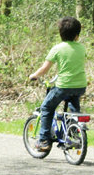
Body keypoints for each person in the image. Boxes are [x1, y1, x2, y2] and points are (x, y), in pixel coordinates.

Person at [29, 16, 87, 152]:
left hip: (64, 86)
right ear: (77, 36)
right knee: (74, 111)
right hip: (80, 86)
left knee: (47, 108)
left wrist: (34, 75)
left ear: (60, 33)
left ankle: (43, 141)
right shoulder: (82, 48)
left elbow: (44, 69)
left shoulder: (57, 48)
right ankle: (73, 134)